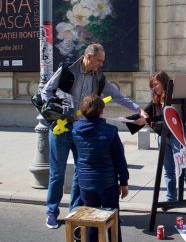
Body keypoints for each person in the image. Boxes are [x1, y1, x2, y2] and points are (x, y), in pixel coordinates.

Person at [41, 43, 147, 229]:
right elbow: (45, 91)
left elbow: (117, 95)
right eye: (99, 61)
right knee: (57, 173)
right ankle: (51, 212)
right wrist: (59, 108)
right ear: (88, 57)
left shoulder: (98, 78)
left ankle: (75, 212)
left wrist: (138, 109)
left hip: (82, 131)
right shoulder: (67, 71)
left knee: (79, 173)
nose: (101, 64)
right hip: (60, 128)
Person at [72, 94, 133, 242]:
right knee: (113, 218)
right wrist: (124, 182)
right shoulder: (110, 131)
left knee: (92, 218)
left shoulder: (75, 129)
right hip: (107, 182)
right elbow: (119, 159)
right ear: (101, 111)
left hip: (85, 182)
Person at [133, 71, 186, 202]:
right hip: (163, 136)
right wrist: (131, 120)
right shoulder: (156, 99)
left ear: (163, 82)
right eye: (152, 86)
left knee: (185, 168)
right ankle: (171, 198)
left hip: (177, 136)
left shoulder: (174, 96)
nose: (154, 88)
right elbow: (146, 113)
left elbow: (166, 117)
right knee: (168, 170)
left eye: (156, 84)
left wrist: (148, 120)